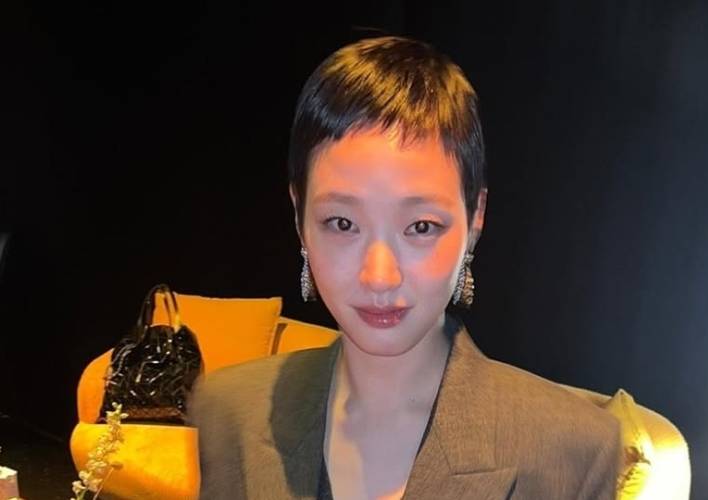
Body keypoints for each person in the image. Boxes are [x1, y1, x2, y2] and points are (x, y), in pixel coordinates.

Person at [188, 35, 621, 499]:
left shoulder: (570, 452)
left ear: (475, 219)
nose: (379, 276)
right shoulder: (226, 413)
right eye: (342, 223)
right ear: (299, 218)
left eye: (420, 227)